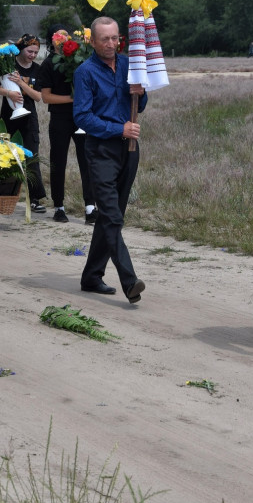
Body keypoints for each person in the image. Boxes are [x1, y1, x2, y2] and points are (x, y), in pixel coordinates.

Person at [73, 17, 147, 304]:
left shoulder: (129, 65)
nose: (111, 44)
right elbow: (82, 116)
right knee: (113, 216)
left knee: (110, 215)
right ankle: (130, 281)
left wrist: (141, 95)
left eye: (115, 38)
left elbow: (139, 104)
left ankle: (92, 276)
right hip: (101, 150)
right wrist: (119, 128)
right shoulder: (85, 72)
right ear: (92, 41)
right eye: (104, 39)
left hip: (129, 149)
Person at [37, 26, 97, 224]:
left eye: (65, 35)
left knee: (87, 161)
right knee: (58, 162)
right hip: (60, 118)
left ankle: (90, 207)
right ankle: (59, 206)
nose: (62, 38)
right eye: (58, 35)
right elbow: (46, 97)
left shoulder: (80, 59)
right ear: (52, 40)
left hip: (82, 117)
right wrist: (73, 99)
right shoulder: (48, 64)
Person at [0, 34, 47, 212]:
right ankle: (3, 195)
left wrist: (21, 84)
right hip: (8, 117)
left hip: (29, 118)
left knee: (31, 157)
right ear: (21, 49)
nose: (32, 55)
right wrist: (9, 93)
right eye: (30, 51)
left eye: (36, 52)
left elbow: (39, 97)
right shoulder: (8, 64)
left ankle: (35, 198)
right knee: (6, 155)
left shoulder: (38, 69)